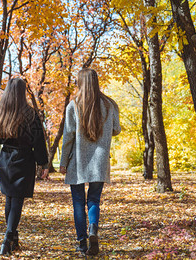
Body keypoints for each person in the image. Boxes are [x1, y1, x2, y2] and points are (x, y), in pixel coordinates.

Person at [59, 68, 121, 255]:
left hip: (77, 161)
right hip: (100, 161)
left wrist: (63, 162)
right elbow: (116, 129)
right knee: (94, 199)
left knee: (78, 202)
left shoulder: (74, 105)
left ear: (80, 82)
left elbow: (68, 137)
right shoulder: (110, 104)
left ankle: (82, 242)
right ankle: (93, 228)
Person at [0, 77, 49, 256]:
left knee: (9, 198)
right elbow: (38, 141)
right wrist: (43, 163)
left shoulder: (2, 112)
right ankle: (7, 239)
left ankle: (13, 239)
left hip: (6, 160)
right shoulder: (30, 114)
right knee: (17, 200)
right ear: (22, 92)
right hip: (24, 159)